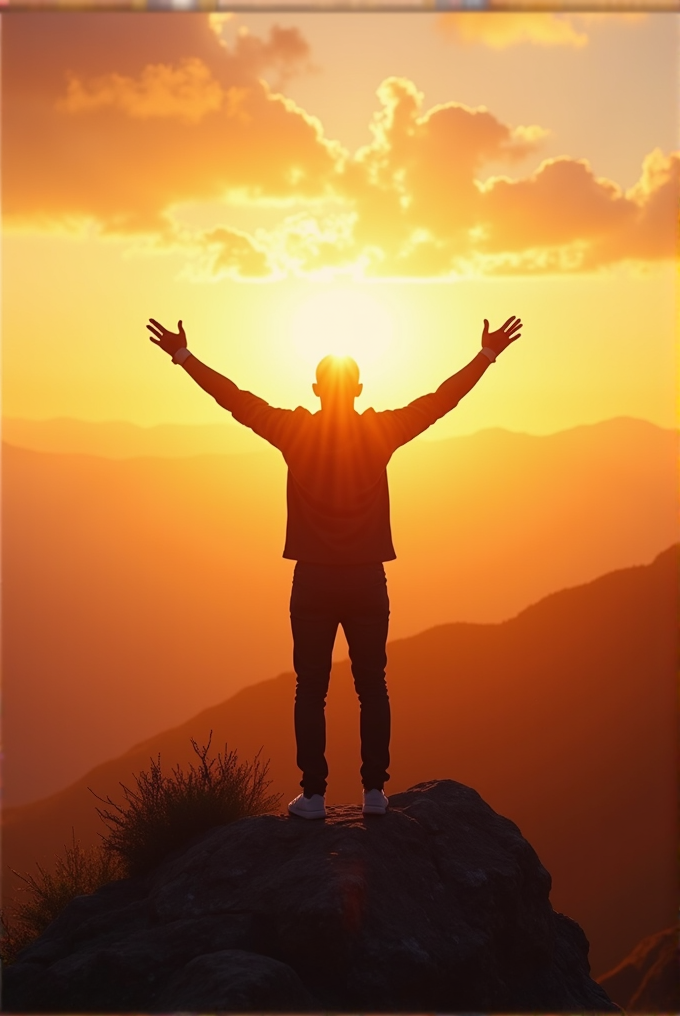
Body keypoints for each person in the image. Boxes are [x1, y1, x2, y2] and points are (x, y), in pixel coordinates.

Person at [147, 314, 522, 820]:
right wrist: (485, 356)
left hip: (314, 580)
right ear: (360, 389)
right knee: (373, 686)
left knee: (311, 689)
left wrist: (185, 357)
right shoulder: (381, 431)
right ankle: (374, 793)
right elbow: (441, 401)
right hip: (368, 578)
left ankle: (315, 796)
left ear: (317, 389)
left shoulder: (293, 431)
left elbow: (234, 398)